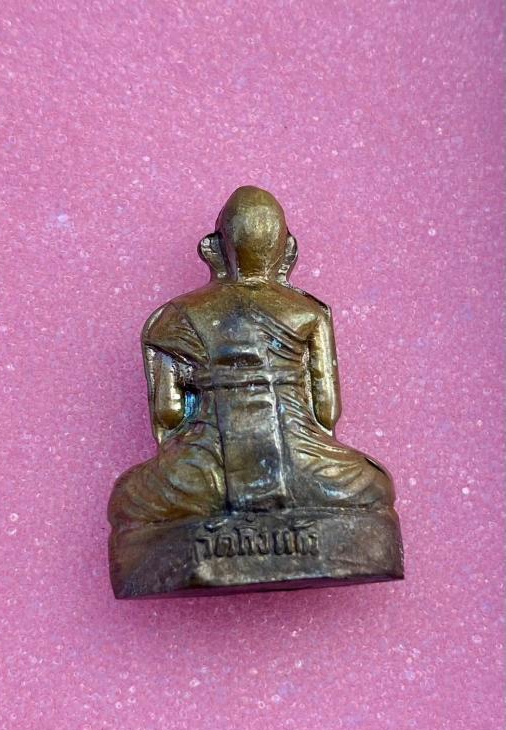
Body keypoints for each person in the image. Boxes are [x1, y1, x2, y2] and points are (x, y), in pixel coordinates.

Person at [108, 186, 394, 542]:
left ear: (213, 249)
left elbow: (168, 414)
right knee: (374, 485)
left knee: (129, 499)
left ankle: (215, 532)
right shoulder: (309, 312)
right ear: (287, 249)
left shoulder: (175, 317)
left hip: (207, 472)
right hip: (301, 470)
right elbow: (326, 411)